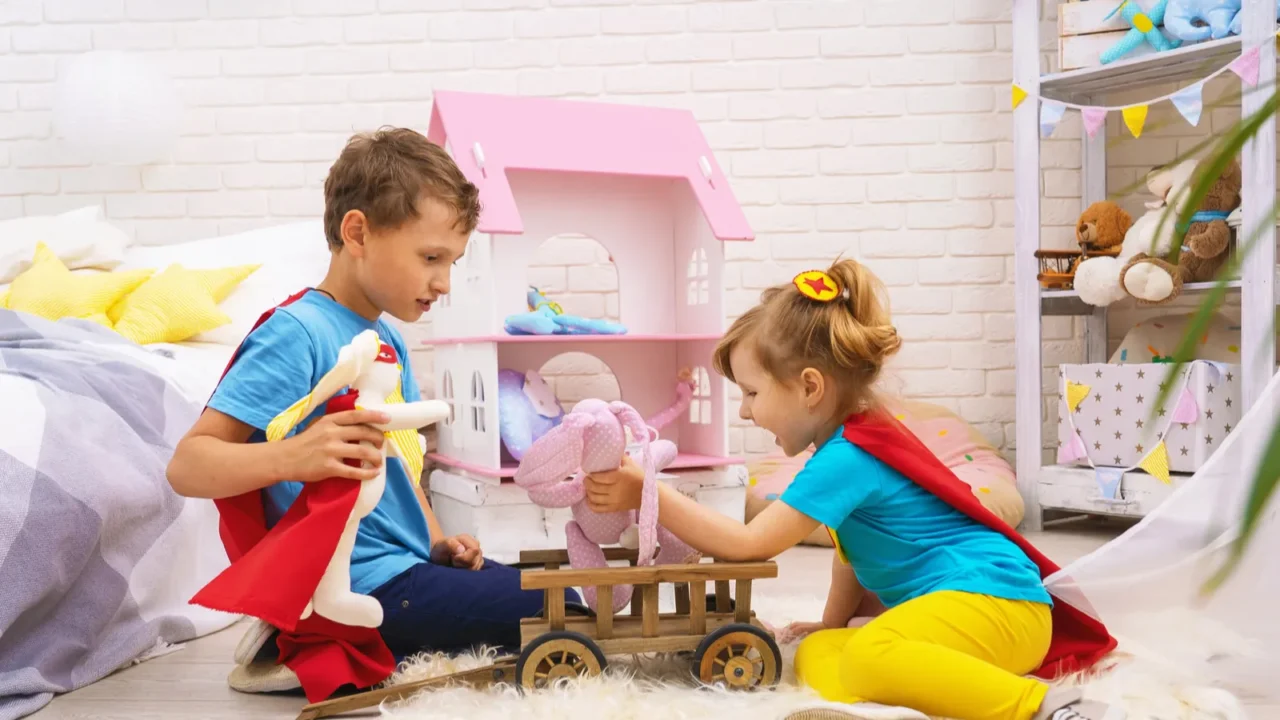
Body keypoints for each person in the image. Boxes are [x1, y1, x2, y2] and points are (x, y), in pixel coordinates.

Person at [583, 259, 1121, 720]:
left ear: (810, 387)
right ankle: (892, 700)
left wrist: (645, 489)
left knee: (869, 654)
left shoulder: (848, 456)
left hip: (998, 605)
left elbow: (751, 543)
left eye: (750, 392)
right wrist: (829, 622)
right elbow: (850, 555)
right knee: (817, 650)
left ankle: (1046, 706)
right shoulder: (848, 444)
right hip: (976, 613)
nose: (745, 410)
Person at [168, 128, 579, 673]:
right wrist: (295, 456)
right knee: (562, 613)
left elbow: (403, 462)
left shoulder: (389, 340)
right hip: (364, 585)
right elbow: (188, 466)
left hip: (405, 568)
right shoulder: (297, 333)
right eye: (431, 256)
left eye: (452, 262)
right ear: (357, 232)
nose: (444, 282)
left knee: (560, 595)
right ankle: (321, 641)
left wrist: (437, 544)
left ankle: (385, 638)